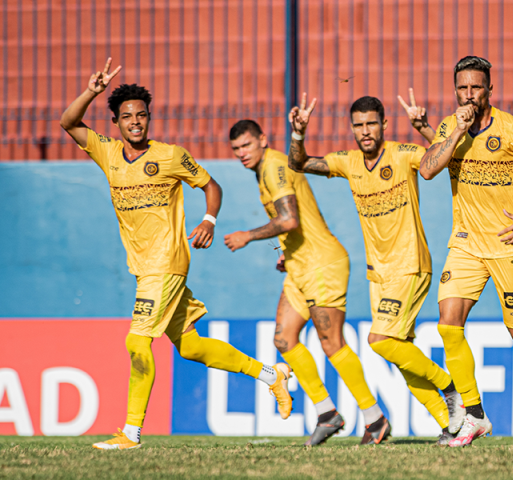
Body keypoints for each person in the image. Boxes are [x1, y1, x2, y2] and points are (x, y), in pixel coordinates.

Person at [59, 58, 292, 450]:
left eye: (142, 115)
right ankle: (272, 376)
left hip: (165, 263)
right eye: (127, 116)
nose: (136, 122)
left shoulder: (169, 156)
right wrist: (92, 91)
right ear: (115, 121)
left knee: (137, 343)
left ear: (149, 118)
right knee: (190, 346)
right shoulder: (108, 153)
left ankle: (131, 433)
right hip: (143, 267)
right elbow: (69, 122)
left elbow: (211, 184)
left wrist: (209, 221)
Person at [286, 93, 465, 446]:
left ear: (384, 124)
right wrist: (297, 134)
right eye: (358, 125)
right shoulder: (348, 162)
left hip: (410, 264)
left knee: (379, 341)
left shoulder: (402, 153)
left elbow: (432, 166)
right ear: (352, 128)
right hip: (378, 273)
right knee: (400, 353)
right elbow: (300, 163)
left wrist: (429, 129)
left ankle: (450, 387)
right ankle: (454, 425)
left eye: (371, 123)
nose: (365, 131)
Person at [419, 56, 513, 448]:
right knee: (448, 325)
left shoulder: (512, 131)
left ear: (490, 89)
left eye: (476, 87)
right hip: (466, 244)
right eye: (462, 88)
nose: (469, 95)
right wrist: (456, 134)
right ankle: (474, 415)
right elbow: (427, 169)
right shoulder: (451, 126)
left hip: (508, 245)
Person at [224, 119, 386, 445]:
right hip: (300, 265)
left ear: (262, 140)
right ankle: (328, 413)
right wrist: (287, 251)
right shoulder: (264, 170)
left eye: (246, 145)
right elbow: (295, 225)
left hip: (322, 264)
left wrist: (247, 235)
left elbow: (289, 218)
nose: (242, 153)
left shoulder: (272, 167)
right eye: (236, 149)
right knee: (284, 339)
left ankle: (374, 418)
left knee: (331, 343)